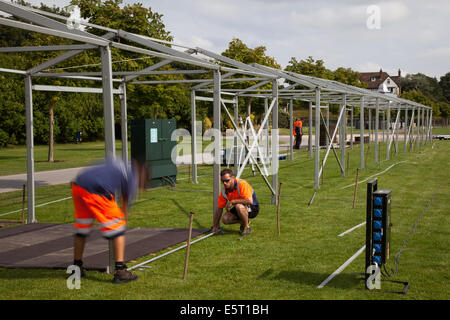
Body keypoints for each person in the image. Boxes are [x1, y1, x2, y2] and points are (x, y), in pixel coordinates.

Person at [71, 158, 145, 284]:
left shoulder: (118, 164)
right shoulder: (133, 176)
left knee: (81, 230)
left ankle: (76, 268)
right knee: (118, 228)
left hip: (78, 185)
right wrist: (123, 219)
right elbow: (126, 202)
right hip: (96, 189)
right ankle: (120, 271)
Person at [212, 168, 259, 236]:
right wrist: (215, 226)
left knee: (238, 206)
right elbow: (219, 209)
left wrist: (233, 202)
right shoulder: (224, 191)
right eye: (223, 181)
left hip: (252, 208)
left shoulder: (241, 184)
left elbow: (249, 201)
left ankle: (246, 228)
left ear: (233, 178)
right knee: (225, 219)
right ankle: (245, 222)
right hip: (239, 208)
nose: (224, 183)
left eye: (227, 180)